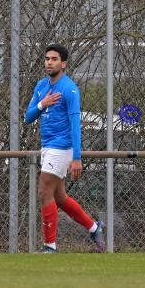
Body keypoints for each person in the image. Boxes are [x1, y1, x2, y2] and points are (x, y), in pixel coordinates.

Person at [24, 44, 104, 253]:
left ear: (64, 63)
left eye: (54, 59)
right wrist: (43, 103)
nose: (49, 62)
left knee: (43, 190)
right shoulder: (41, 86)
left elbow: (76, 125)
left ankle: (50, 246)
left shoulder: (69, 89)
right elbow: (28, 117)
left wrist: (76, 157)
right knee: (59, 197)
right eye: (47, 58)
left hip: (62, 147)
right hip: (47, 147)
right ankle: (94, 228)